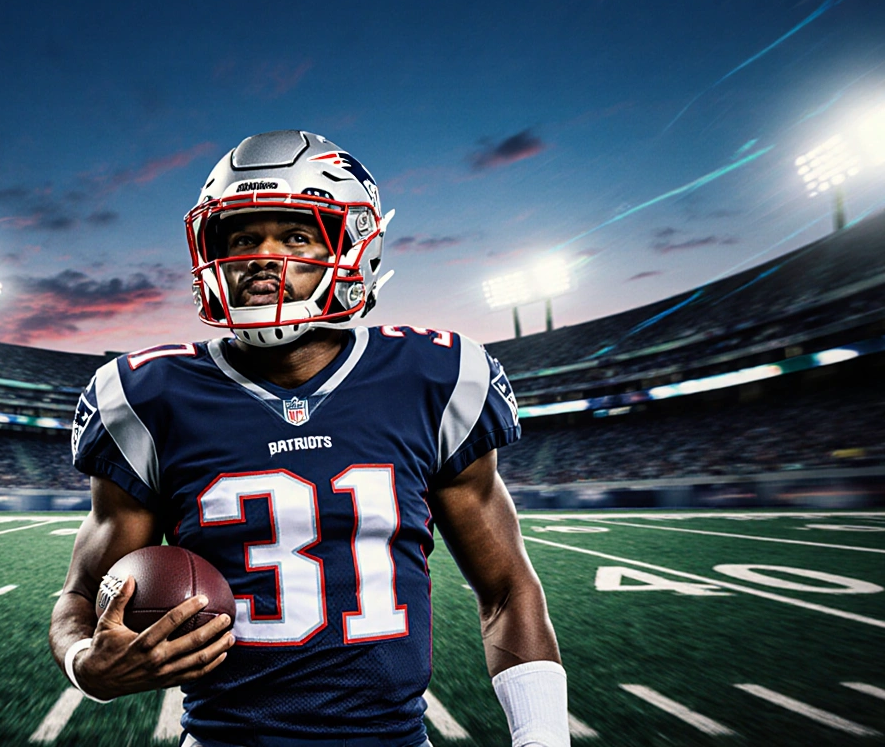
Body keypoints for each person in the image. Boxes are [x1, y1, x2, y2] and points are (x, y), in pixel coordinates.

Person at [51, 130, 569, 747]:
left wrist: (542, 740)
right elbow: (82, 595)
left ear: (356, 247)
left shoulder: (434, 377)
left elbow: (507, 589)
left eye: (296, 236)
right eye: (242, 238)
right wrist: (86, 663)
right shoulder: (146, 395)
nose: (262, 258)